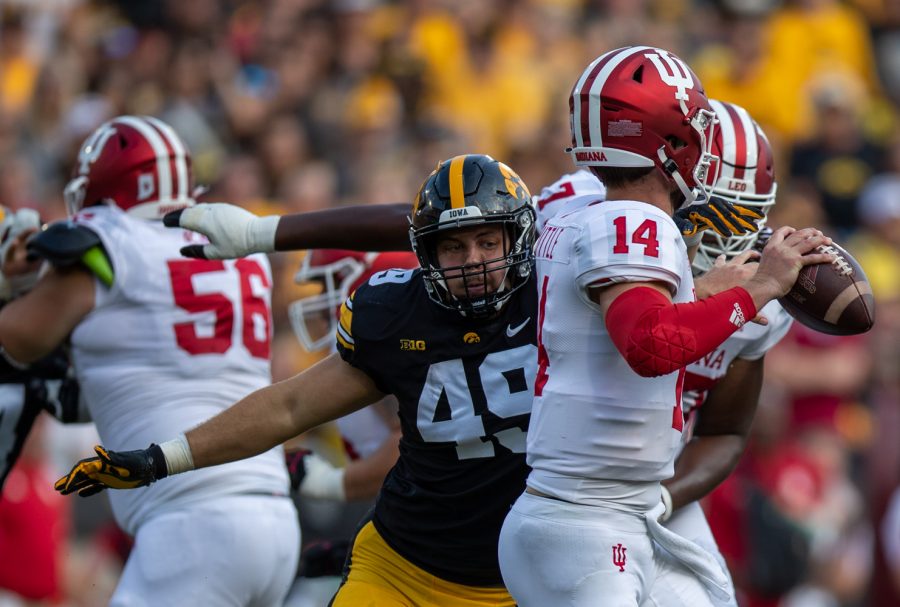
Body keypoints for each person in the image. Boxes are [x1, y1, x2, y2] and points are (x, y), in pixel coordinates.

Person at [55, 153, 540, 607]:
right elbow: (288, 407)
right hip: (404, 566)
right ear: (424, 252)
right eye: (453, 246)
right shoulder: (395, 316)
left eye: (487, 241)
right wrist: (160, 458)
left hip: (525, 574)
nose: (473, 260)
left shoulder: (554, 296)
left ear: (516, 239)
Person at [495, 46, 835, 607]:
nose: (730, 232)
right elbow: (650, 343)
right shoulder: (619, 216)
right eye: (720, 212)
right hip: (580, 505)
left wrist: (730, 293)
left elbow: (723, 428)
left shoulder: (621, 221)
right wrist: (755, 290)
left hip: (631, 497)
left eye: (745, 217)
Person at [0, 115, 300, 606]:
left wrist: (8, 285)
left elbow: (17, 342)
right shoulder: (237, 247)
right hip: (274, 518)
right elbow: (136, 374)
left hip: (193, 524)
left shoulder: (110, 243)